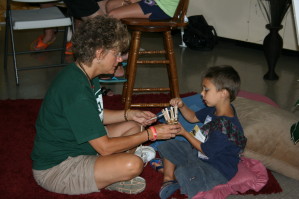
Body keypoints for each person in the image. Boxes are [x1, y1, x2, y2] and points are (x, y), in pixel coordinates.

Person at [31, 16, 181, 195]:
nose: (119, 60)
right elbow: (105, 147)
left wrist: (129, 114)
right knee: (133, 164)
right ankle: (110, 176)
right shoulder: (76, 91)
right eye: (116, 54)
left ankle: (107, 172)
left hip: (82, 147)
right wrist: (152, 134)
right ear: (99, 53)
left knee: (135, 126)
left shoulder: (85, 72)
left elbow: (96, 113)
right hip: (58, 169)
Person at [153, 66, 247, 199]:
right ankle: (168, 179)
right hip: (198, 154)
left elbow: (206, 151)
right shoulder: (214, 109)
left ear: (223, 93)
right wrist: (182, 105)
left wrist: (185, 133)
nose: (202, 93)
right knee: (169, 143)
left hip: (216, 169)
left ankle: (172, 173)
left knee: (186, 173)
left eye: (206, 89)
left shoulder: (225, 127)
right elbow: (192, 117)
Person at [107, 0, 179, 20]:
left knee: (113, 15)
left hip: (164, 6)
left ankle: (109, 53)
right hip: (154, 1)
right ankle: (121, 47)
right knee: (111, 5)